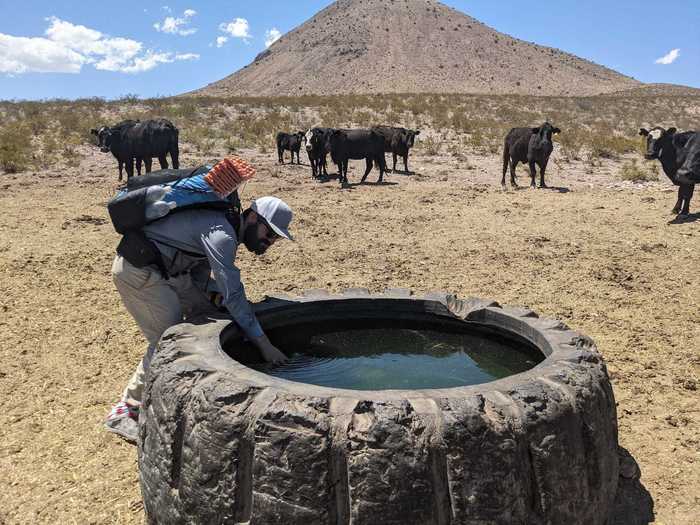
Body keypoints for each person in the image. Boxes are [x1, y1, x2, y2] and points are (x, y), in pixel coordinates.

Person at [104, 194, 293, 443]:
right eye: (268, 234)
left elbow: (201, 269)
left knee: (214, 313)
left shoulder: (225, 226)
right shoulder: (223, 234)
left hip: (171, 270)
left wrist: (214, 299)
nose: (269, 242)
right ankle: (126, 409)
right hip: (141, 272)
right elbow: (233, 292)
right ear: (253, 217)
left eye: (276, 238)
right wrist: (264, 345)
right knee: (168, 342)